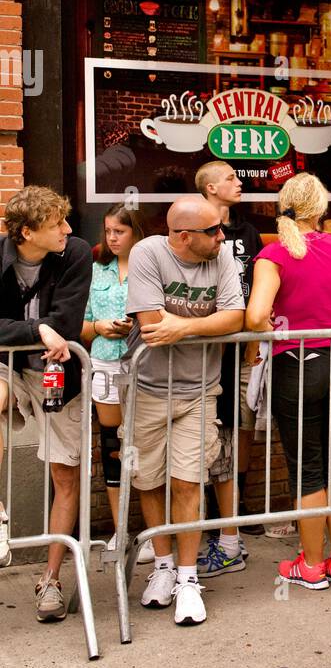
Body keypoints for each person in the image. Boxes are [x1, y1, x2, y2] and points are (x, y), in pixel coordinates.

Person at [123, 195, 245, 626]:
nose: (222, 236)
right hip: (147, 389)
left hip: (200, 389)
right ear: (183, 235)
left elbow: (235, 317)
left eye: (220, 228)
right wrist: (185, 326)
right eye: (212, 231)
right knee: (149, 479)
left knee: (188, 481)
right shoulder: (148, 252)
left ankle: (189, 579)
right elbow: (151, 323)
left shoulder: (223, 255)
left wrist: (186, 326)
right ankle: (162, 565)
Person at [245, 174, 331, 591]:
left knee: (308, 470)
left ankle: (310, 566)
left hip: (298, 364)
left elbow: (256, 315)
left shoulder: (274, 253)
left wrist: (275, 323)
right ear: (321, 209)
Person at [0, 187, 92, 621]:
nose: (68, 230)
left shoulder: (74, 253)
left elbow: (69, 321)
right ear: (26, 232)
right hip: (8, 367)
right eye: (57, 224)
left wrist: (38, 329)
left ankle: (51, 579)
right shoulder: (0, 257)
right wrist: (39, 331)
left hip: (59, 377)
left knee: (65, 475)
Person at [195, 161, 267, 550]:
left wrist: (255, 345)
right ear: (210, 189)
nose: (239, 183)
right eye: (230, 179)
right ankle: (207, 505)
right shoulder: (196, 231)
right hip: (206, 348)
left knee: (243, 422)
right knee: (209, 424)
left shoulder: (248, 232)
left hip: (243, 345)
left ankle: (236, 503)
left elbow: (257, 286)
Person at [81, 203, 153, 560]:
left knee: (146, 443)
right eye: (108, 231)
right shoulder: (97, 272)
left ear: (136, 232)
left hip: (145, 365)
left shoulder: (150, 269)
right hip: (106, 361)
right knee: (114, 445)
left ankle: (154, 532)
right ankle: (121, 528)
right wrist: (100, 328)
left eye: (119, 231)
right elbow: (80, 324)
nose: (112, 237)